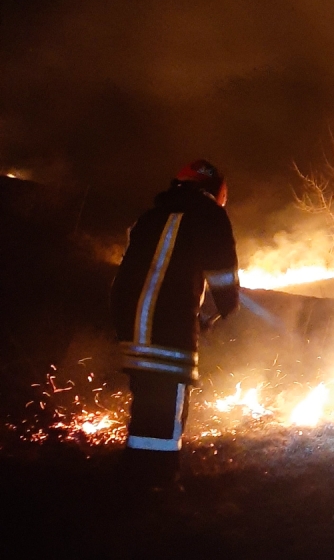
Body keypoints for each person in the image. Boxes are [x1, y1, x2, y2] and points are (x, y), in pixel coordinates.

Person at [111, 159, 239, 469]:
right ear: (215, 191)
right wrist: (226, 309)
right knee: (167, 408)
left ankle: (133, 470)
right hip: (170, 326)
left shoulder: (150, 217)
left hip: (131, 324)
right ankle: (156, 481)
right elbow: (222, 275)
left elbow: (129, 271)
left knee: (147, 400)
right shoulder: (210, 215)